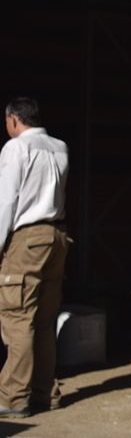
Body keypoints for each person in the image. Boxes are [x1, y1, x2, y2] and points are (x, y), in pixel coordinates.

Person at [0, 97, 70, 419]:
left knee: (18, 318)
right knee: (44, 319)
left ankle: (13, 397)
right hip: (56, 236)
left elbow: (6, 202)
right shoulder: (59, 147)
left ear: (14, 120)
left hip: (27, 239)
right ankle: (45, 392)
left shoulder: (16, 149)